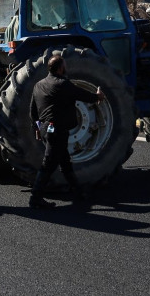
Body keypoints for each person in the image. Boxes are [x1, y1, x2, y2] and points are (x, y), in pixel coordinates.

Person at [28, 53, 104, 208]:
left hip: (47, 128)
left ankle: (79, 192)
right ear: (60, 68)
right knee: (49, 163)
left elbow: (33, 111)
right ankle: (35, 198)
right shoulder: (63, 84)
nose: (66, 68)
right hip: (56, 129)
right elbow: (81, 94)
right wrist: (97, 96)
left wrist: (37, 128)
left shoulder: (38, 85)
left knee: (64, 161)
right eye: (64, 66)